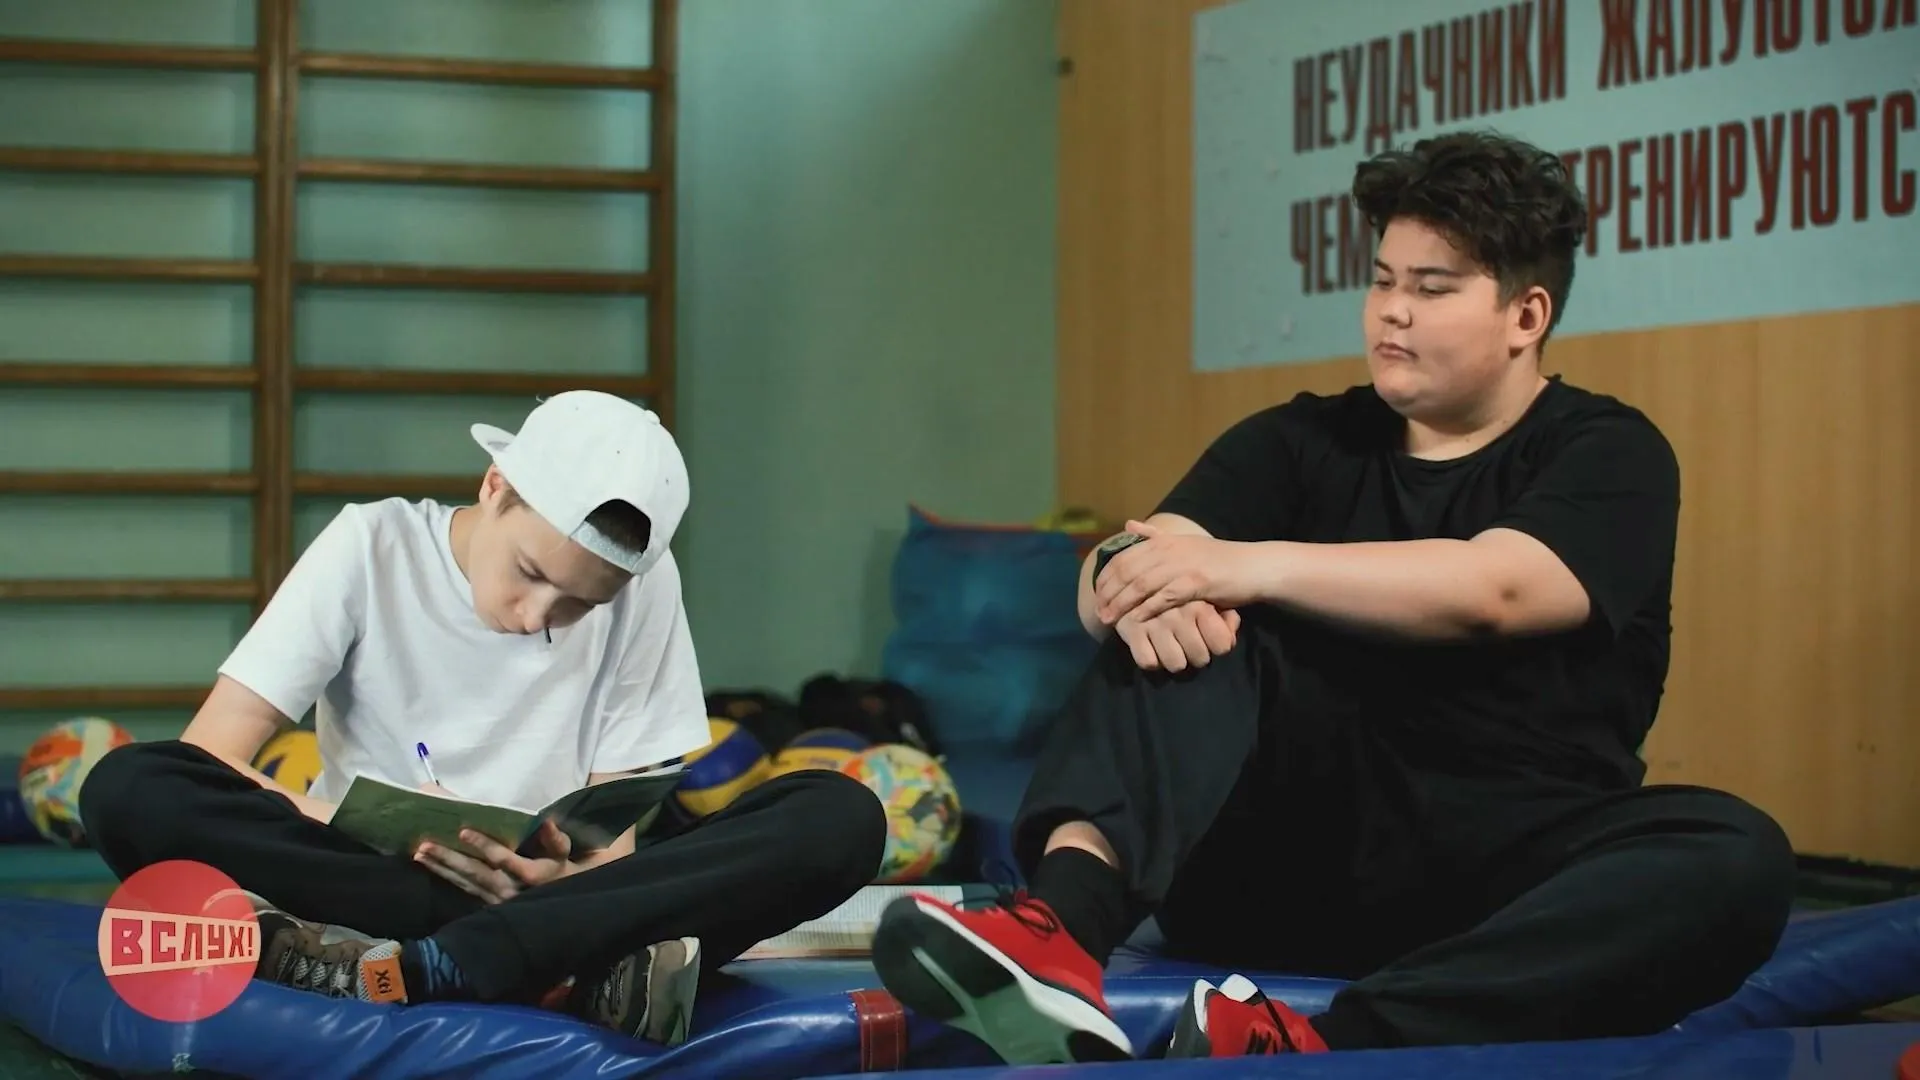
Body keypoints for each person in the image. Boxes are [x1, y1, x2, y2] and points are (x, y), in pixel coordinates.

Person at [868, 130, 1797, 1062]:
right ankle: (1060, 933)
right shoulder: (1299, 440)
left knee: (1735, 854)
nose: (1392, 310)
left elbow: (1502, 586)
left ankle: (1324, 1046)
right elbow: (1131, 558)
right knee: (1180, 617)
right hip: (1276, 871)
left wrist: (1251, 566)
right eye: (1383, 279)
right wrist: (1131, 579)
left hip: (1495, 893)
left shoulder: (1609, 453)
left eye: (1432, 288)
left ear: (1526, 315)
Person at [79, 391, 887, 1045]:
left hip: (558, 900)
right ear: (494, 486)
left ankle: (449, 963)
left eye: (578, 603)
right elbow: (211, 750)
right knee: (130, 785)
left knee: (840, 815)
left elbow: (614, 847)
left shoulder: (646, 588)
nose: (537, 614)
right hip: (380, 881)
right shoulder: (372, 544)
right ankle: (557, 965)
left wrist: (563, 885)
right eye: (531, 572)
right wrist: (376, 831)